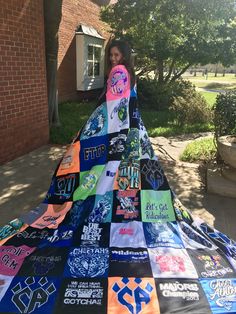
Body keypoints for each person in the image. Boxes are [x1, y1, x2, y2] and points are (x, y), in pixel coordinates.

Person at [0, 39, 236, 314]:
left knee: (104, 179)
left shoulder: (119, 73)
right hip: (133, 136)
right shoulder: (129, 73)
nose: (113, 59)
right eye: (110, 55)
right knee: (131, 182)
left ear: (124, 56)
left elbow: (113, 110)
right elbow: (128, 107)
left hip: (119, 137)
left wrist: (93, 132)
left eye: (117, 54)